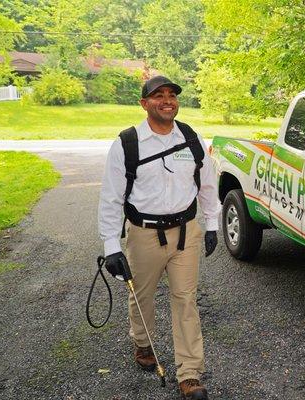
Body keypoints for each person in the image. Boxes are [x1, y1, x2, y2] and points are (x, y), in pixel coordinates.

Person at [98, 75, 219, 400]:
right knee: (142, 296)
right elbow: (111, 197)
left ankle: (190, 374)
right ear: (144, 103)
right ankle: (143, 343)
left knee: (185, 300)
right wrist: (111, 245)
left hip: (185, 234)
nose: (167, 101)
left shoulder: (192, 139)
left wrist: (211, 225)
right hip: (143, 235)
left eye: (171, 95)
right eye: (158, 96)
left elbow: (207, 184)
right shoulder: (127, 144)